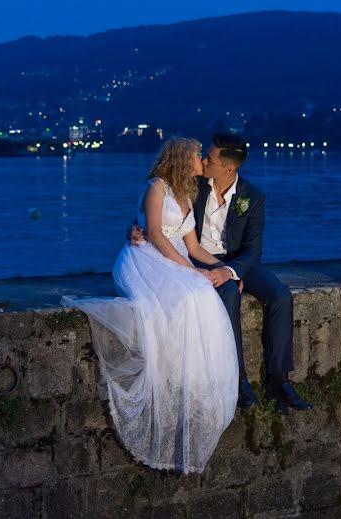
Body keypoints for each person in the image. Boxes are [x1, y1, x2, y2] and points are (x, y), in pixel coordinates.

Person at [62, 137, 238, 474]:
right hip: (145, 260)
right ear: (181, 158)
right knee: (191, 294)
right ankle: (176, 372)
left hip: (175, 259)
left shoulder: (188, 192)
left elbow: (193, 245)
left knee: (201, 294)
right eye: (197, 154)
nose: (202, 159)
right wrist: (193, 271)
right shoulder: (157, 187)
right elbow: (155, 235)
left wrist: (220, 267)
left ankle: (197, 378)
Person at [130, 133, 312, 415]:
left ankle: (280, 382)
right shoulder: (193, 184)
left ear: (229, 168)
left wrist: (229, 271)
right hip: (198, 259)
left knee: (280, 296)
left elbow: (253, 251)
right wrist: (133, 230)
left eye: (211, 158)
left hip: (237, 262)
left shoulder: (253, 197)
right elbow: (158, 217)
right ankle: (237, 380)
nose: (204, 160)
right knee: (227, 294)